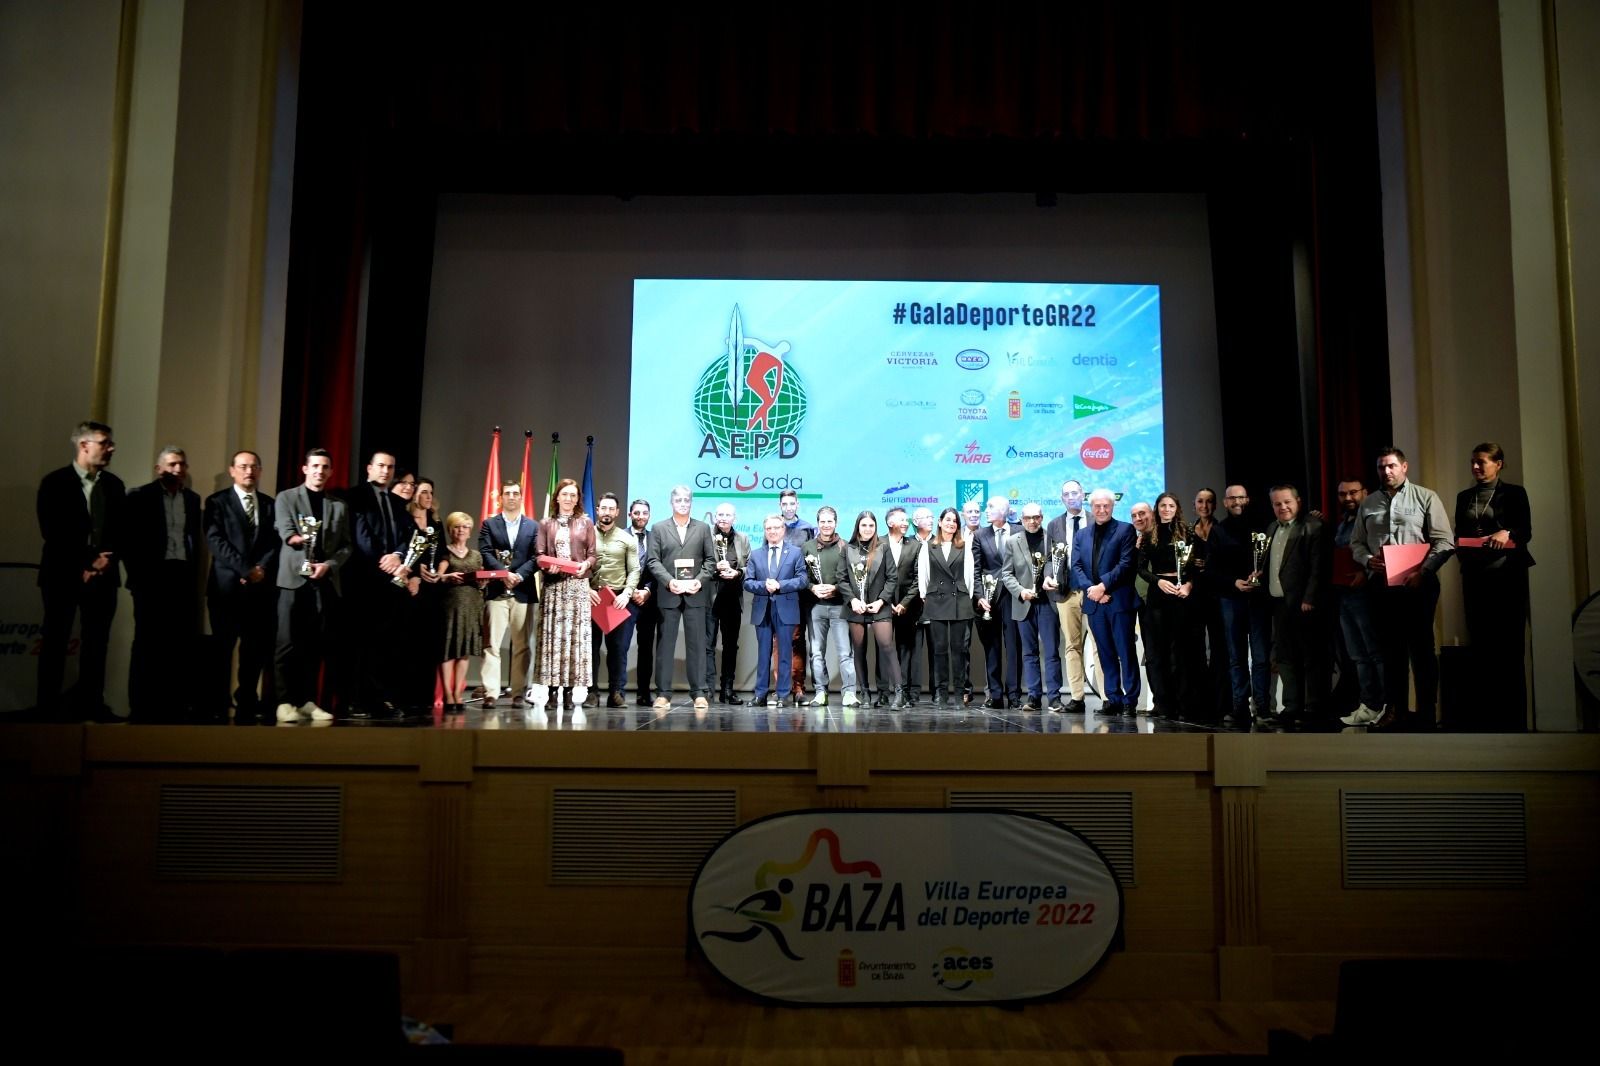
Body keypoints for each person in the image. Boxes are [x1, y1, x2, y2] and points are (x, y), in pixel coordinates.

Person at [1348, 446, 1454, 731]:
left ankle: (1426, 714)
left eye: (1392, 466)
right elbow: (1356, 542)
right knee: (1390, 652)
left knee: (1421, 649)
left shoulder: (1425, 497)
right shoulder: (1368, 503)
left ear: (1404, 467)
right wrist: (1367, 560)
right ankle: (1395, 710)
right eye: (1382, 467)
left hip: (1418, 585)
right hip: (1382, 586)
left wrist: (1424, 570)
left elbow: (1445, 541)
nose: (1387, 471)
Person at [36, 420, 125, 721]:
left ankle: (92, 705)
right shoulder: (55, 482)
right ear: (83, 445)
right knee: (55, 640)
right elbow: (53, 531)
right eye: (104, 442)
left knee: (97, 643)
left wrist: (104, 562)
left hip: (104, 576)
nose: (111, 448)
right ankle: (47, 707)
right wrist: (87, 562)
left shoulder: (114, 485)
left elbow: (120, 531)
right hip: (63, 574)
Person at [1453, 442, 1533, 731]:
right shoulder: (1465, 497)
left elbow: (1525, 531)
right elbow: (1459, 533)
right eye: (1473, 462)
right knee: (1482, 647)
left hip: (1507, 578)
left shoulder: (1514, 493)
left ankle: (1514, 720)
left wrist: (1507, 531)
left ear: (1498, 463)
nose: (1476, 467)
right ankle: (1486, 719)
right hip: (1476, 579)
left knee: (1510, 649)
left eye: (1482, 461)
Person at [123, 446, 202, 721]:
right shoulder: (140, 496)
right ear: (158, 469)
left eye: (181, 464)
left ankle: (173, 703)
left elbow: (193, 542)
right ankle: (141, 704)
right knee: (146, 641)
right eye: (171, 464)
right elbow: (128, 541)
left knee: (178, 642)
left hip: (180, 576)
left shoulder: (192, 499)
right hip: (150, 580)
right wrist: (137, 577)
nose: (177, 469)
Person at [273, 448, 351, 722]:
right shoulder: (287, 497)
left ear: (331, 471)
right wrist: (300, 540)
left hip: (324, 582)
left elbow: (345, 546)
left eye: (325, 467)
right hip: (293, 582)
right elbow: (286, 531)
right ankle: (283, 702)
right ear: (305, 469)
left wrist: (329, 565)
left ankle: (306, 700)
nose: (320, 471)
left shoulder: (338, 505)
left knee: (315, 645)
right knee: (287, 643)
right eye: (315, 466)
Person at [204, 450, 278, 722]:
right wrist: (245, 569)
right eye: (243, 466)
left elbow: (273, 542)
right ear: (232, 470)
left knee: (254, 649)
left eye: (254, 467)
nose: (249, 471)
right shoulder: (216, 502)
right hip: (226, 588)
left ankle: (247, 698)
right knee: (223, 647)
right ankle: (217, 701)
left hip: (259, 590)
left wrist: (260, 569)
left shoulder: (270, 505)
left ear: (260, 471)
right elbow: (216, 541)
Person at [347, 450, 416, 717]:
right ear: (369, 468)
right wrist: (384, 561)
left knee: (384, 643)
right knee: (361, 643)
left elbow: (407, 535)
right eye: (381, 466)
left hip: (392, 581)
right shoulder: (355, 497)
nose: (385, 471)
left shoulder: (396, 502)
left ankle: (379, 699)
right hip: (365, 579)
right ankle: (357, 699)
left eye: (390, 467)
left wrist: (398, 557)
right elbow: (360, 535)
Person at [1261, 485, 1331, 728]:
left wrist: (1309, 598)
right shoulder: (1271, 528)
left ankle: (1313, 707)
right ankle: (1291, 706)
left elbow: (1317, 567)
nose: (1283, 507)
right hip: (1279, 604)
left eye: (1287, 502)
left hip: (1304, 604)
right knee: (1286, 658)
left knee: (1310, 657)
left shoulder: (1311, 526)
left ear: (1298, 501)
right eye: (1277, 504)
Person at [1135, 493, 1208, 722]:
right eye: (1163, 506)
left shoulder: (1187, 533)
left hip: (1183, 596)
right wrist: (1158, 581)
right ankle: (1164, 705)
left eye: (1171, 505)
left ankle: (1185, 704)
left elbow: (1197, 566)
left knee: (1182, 652)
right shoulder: (1149, 535)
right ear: (1157, 509)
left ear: (1177, 508)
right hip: (1159, 594)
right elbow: (1141, 569)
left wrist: (1188, 584)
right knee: (1158, 653)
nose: (1167, 509)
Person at [1072, 489, 1140, 716]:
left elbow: (1126, 563)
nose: (1101, 510)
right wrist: (1093, 590)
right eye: (1097, 506)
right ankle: (1113, 699)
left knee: (1126, 651)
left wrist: (1103, 586)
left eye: (1106, 506)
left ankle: (1131, 700)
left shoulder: (1125, 530)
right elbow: (1077, 567)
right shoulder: (1082, 534)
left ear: (1112, 507)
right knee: (1105, 653)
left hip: (1119, 601)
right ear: (1091, 508)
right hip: (1095, 602)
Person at [532, 478, 598, 712]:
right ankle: (551, 693)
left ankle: (569, 693)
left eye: (573, 495)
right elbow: (539, 554)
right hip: (554, 588)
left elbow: (592, 554)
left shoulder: (586, 523)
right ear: (557, 497)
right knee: (554, 641)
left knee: (572, 641)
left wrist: (585, 565)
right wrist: (546, 565)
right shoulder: (545, 523)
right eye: (565, 494)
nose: (569, 499)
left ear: (578, 498)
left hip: (577, 588)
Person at [479, 480, 539, 709]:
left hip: (522, 591)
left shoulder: (532, 526)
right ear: (501, 497)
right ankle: (491, 693)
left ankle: (517, 693)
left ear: (521, 497)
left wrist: (519, 576)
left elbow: (536, 556)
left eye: (516, 493)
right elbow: (485, 551)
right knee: (491, 645)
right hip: (496, 591)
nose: (512, 497)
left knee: (522, 645)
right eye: (508, 493)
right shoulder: (489, 524)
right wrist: (503, 573)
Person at [1216, 484, 1273, 723]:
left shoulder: (1264, 525)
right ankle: (1240, 706)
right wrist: (1234, 582)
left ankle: (1262, 707)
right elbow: (1211, 568)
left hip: (1259, 600)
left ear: (1247, 499)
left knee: (1260, 657)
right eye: (1232, 498)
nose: (1236, 502)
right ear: (1225, 503)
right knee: (1236, 657)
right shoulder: (1219, 530)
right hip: (1232, 599)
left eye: (1241, 497)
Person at [1330, 479, 1385, 723]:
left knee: (1375, 652)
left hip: (1366, 594)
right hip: (1344, 594)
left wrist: (1366, 573)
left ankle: (1385, 705)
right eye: (1343, 494)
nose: (1348, 498)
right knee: (1357, 655)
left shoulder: (1373, 520)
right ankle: (1369, 705)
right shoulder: (1344, 522)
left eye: (1353, 493)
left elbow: (1380, 552)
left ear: (1365, 492)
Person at [1000, 501, 1063, 712]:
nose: (1032, 521)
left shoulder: (1051, 539)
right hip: (1023, 604)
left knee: (1052, 652)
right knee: (1029, 653)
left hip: (1047, 603)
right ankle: (1034, 698)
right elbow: (1006, 574)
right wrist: (1020, 591)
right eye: (1027, 518)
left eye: (1036, 517)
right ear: (1022, 520)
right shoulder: (1012, 541)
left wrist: (1052, 579)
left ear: (1042, 518)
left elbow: (1058, 566)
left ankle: (1054, 697)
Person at [745, 514, 808, 706]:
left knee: (785, 654)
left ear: (783, 530)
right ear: (765, 531)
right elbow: (748, 582)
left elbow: (802, 579)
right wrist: (765, 585)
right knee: (763, 654)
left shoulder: (796, 552)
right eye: (769, 528)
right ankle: (760, 694)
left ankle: (782, 695)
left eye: (776, 528)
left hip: (786, 608)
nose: (772, 531)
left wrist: (780, 585)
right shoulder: (756, 554)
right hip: (762, 609)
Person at [843, 511, 903, 709]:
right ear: (857, 527)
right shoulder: (848, 549)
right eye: (864, 525)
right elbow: (841, 579)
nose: (867, 529)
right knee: (859, 650)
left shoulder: (883, 548)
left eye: (871, 525)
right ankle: (866, 694)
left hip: (879, 606)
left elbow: (892, 578)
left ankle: (898, 694)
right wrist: (852, 600)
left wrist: (881, 601)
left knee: (887, 647)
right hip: (856, 608)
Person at [425, 511, 484, 711]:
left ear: (470, 531)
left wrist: (483, 582)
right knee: (449, 650)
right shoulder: (445, 552)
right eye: (457, 527)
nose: (461, 530)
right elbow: (435, 578)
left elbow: (481, 580)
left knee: (464, 652)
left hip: (471, 606)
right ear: (451, 530)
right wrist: (448, 576)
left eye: (465, 527)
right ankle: (448, 695)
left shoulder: (476, 555)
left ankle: (459, 693)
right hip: (449, 606)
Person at [918, 507, 976, 707]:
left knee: (959, 650)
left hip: (959, 600)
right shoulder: (928, 546)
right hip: (936, 601)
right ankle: (941, 694)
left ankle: (960, 694)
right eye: (948, 520)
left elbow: (969, 575)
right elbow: (923, 574)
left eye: (955, 521)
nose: (951, 523)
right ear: (940, 522)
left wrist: (965, 597)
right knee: (939, 650)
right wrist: (926, 594)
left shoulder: (964, 546)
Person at [589, 492, 641, 709]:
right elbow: (578, 563)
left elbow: (635, 569)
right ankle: (591, 693)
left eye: (612, 509)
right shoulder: (586, 534)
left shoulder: (628, 539)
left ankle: (616, 692)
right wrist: (585, 589)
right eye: (603, 508)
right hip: (591, 597)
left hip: (617, 599)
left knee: (618, 649)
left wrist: (626, 594)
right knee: (590, 649)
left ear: (618, 512)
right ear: (598, 510)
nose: (607, 512)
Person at [972, 495, 1022, 709]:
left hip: (1014, 597)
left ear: (1004, 510)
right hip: (989, 599)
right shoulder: (979, 535)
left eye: (991, 507)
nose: (986, 511)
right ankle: (995, 694)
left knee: (1014, 647)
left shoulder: (1019, 531)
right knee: (992, 647)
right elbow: (975, 568)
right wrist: (980, 595)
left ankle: (1015, 695)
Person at [802, 507, 855, 707]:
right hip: (815, 607)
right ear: (817, 523)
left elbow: (852, 579)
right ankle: (820, 692)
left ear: (836, 523)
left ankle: (849, 692)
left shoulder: (846, 547)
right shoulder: (807, 547)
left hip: (840, 607)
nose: (826, 525)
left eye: (830, 521)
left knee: (845, 652)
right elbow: (801, 577)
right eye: (822, 522)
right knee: (816, 652)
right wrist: (812, 588)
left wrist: (836, 589)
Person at [1045, 479, 1089, 712]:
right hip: (1066, 592)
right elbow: (1050, 558)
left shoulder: (1094, 520)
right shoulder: (1055, 525)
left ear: (1083, 494)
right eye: (1066, 494)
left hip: (1094, 592)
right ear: (1062, 498)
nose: (1071, 497)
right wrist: (1048, 576)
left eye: (1075, 492)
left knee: (1100, 645)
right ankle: (1077, 697)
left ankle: (1107, 697)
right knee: (1072, 646)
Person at [1190, 486, 1230, 721]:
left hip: (1218, 595)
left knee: (1219, 650)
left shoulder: (1223, 530)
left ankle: (1221, 703)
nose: (1204, 506)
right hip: (1195, 596)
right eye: (1200, 501)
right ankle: (1200, 702)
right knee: (1195, 650)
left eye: (1209, 502)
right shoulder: (1187, 531)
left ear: (1215, 505)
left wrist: (1211, 567)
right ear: (1194, 504)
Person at [707, 503, 752, 704]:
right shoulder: (705, 536)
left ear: (735, 518)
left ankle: (727, 690)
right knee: (707, 645)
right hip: (710, 598)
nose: (724, 518)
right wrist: (716, 568)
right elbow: (700, 565)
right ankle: (707, 690)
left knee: (731, 646)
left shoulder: (743, 539)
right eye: (720, 514)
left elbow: (750, 566)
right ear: (715, 516)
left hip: (733, 598)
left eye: (728, 515)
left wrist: (738, 572)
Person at [778, 488, 817, 701]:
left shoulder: (808, 529)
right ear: (780, 506)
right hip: (779, 594)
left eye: (791, 504)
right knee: (778, 641)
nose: (788, 508)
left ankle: (798, 687)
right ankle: (781, 688)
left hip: (801, 594)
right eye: (784, 504)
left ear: (797, 505)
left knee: (797, 640)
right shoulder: (774, 527)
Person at [884, 507, 924, 707]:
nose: (906, 523)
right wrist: (886, 601)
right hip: (882, 605)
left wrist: (903, 603)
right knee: (884, 649)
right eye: (901, 520)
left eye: (906, 520)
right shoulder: (878, 543)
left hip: (907, 607)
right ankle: (883, 692)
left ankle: (905, 692)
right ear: (890, 523)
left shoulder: (915, 545)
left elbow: (918, 578)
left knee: (905, 649)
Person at [627, 499, 659, 706]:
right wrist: (630, 592)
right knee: (619, 647)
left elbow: (660, 567)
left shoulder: (655, 538)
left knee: (646, 648)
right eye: (636, 513)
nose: (640, 516)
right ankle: (617, 690)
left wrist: (647, 590)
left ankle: (644, 691)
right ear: (630, 515)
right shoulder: (620, 536)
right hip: (624, 599)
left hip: (649, 599)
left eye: (644, 513)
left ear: (649, 515)